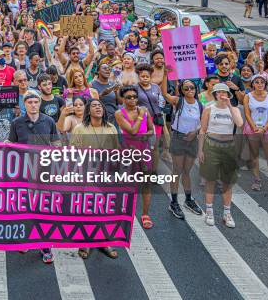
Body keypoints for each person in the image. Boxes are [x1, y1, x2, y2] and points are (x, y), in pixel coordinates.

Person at [7, 90, 60, 264]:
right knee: (25, 207)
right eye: (29, 102)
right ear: (25, 104)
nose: (33, 105)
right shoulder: (17, 122)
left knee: (43, 209)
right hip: (24, 172)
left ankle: (45, 246)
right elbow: (13, 145)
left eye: (35, 102)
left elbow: (57, 145)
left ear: (39, 103)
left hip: (44, 172)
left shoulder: (49, 121)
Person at [71, 99, 120, 260]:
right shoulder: (80, 129)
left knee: (104, 209)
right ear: (88, 111)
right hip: (86, 175)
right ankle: (85, 242)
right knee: (88, 210)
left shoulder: (111, 128)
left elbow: (116, 153)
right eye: (94, 106)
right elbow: (73, 153)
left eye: (100, 106)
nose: (98, 108)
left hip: (106, 175)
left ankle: (104, 241)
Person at [198, 83, 243, 228]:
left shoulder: (234, 109)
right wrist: (200, 150)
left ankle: (227, 213)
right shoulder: (209, 109)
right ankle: (209, 210)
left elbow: (240, 123)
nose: (222, 95)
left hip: (228, 147)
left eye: (225, 92)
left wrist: (230, 105)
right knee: (210, 180)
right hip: (211, 145)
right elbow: (203, 130)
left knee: (227, 181)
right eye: (219, 92)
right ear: (215, 94)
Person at [115, 86, 155, 228]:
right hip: (128, 150)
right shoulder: (119, 113)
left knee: (146, 183)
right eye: (128, 97)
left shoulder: (145, 111)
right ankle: (124, 214)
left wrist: (147, 135)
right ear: (123, 99)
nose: (132, 99)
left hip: (143, 149)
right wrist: (140, 115)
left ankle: (145, 214)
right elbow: (132, 131)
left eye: (134, 97)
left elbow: (151, 130)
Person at [163, 80, 204, 219]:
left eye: (192, 87)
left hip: (193, 140)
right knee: (177, 171)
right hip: (179, 138)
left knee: (187, 171)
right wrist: (164, 74)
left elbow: (204, 123)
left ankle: (188, 199)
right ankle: (174, 202)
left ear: (195, 89)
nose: (189, 90)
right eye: (186, 88)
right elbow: (164, 93)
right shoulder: (178, 101)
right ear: (182, 90)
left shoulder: (200, 105)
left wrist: (195, 132)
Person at [242, 75, 268, 192]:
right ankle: (257, 180)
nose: (259, 84)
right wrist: (254, 128)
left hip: (267, 129)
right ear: (253, 84)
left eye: (262, 82)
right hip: (252, 129)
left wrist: (264, 129)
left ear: (265, 84)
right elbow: (247, 114)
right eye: (257, 82)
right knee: (254, 157)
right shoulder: (247, 97)